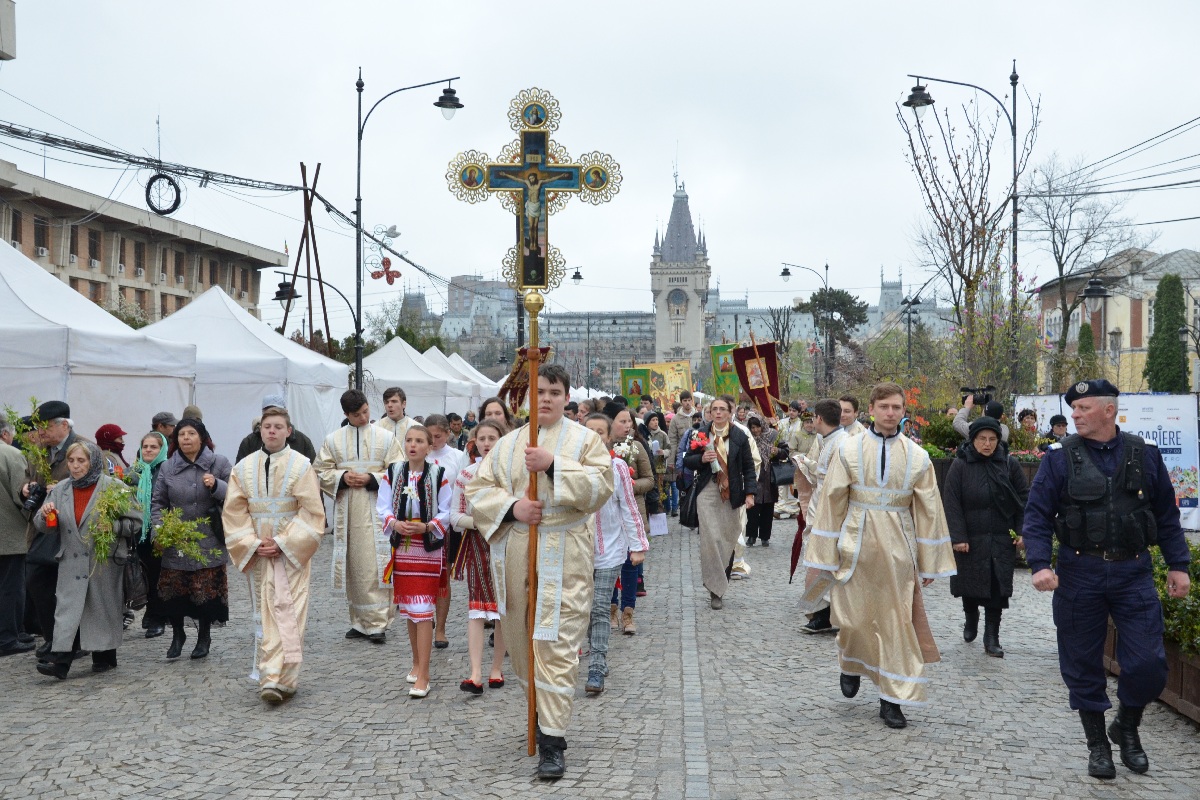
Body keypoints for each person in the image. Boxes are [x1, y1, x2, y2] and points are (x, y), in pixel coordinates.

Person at [1022, 379, 1192, 780]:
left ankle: (1127, 726)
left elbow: (1167, 517)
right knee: (1082, 663)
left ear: (1108, 411)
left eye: (1082, 408)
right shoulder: (1058, 458)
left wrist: (1178, 565)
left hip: (1133, 573)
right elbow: (1036, 516)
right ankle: (1098, 744)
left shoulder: (1144, 455)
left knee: (1149, 663)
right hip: (1080, 573)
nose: (1075, 415)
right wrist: (1040, 563)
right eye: (1073, 409)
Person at [465, 364, 614, 780]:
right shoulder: (509, 443)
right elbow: (478, 489)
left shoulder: (585, 440)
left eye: (553, 391)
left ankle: (553, 741)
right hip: (519, 550)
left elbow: (601, 488)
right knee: (523, 636)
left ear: (566, 397)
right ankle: (538, 708)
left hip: (566, 551)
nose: (545, 398)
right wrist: (513, 508)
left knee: (558, 641)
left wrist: (552, 465)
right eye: (539, 391)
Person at [804, 382, 956, 730]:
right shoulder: (849, 449)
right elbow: (832, 501)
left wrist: (929, 560)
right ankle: (851, 662)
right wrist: (824, 553)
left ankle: (892, 699)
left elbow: (929, 509)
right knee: (852, 619)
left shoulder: (918, 457)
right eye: (884, 406)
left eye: (897, 407)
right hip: (854, 547)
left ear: (904, 411)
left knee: (897, 625)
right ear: (871, 409)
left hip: (898, 552)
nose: (890, 413)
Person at [222, 406, 325, 704]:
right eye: (267, 426)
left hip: (290, 550)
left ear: (288, 431)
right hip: (258, 549)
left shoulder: (301, 465)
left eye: (278, 426)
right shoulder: (243, 468)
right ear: (260, 430)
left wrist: (283, 541)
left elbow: (312, 511)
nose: (272, 431)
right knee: (264, 611)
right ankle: (271, 677)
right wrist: (252, 543)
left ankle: (282, 678)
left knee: (290, 609)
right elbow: (234, 511)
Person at [33, 441, 140, 679]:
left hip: (103, 562)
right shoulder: (60, 490)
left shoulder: (115, 488)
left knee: (102, 609)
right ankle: (60, 663)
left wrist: (112, 526)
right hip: (70, 561)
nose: (75, 466)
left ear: (93, 462)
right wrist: (45, 514)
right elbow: (43, 527)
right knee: (68, 611)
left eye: (81, 461)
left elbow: (136, 523)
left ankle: (105, 656)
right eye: (71, 461)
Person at [315, 389, 402, 645]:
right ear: (346, 414)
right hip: (348, 509)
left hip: (377, 506)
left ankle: (377, 623)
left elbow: (399, 468)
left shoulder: (386, 438)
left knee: (374, 563)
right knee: (353, 564)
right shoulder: (333, 440)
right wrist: (341, 478)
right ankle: (358, 621)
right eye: (357, 415)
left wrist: (372, 478)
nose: (363, 418)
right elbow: (320, 470)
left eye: (366, 412)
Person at [943, 417, 1029, 658]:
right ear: (973, 440)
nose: (988, 444)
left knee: (996, 589)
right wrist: (958, 536)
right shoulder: (960, 465)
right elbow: (951, 503)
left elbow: (1024, 498)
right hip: (970, 539)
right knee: (970, 586)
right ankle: (970, 616)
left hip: (1001, 537)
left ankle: (991, 636)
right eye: (982, 439)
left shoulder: (1009, 465)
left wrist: (1022, 530)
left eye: (992, 439)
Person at [376, 424, 452, 698]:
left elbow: (446, 510)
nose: (413, 445)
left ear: (429, 447)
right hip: (403, 547)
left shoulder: (438, 475)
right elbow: (382, 506)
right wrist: (394, 524)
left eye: (419, 441)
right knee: (409, 608)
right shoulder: (393, 472)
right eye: (409, 440)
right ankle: (417, 662)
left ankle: (425, 674)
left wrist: (428, 526)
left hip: (428, 548)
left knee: (422, 609)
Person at [151, 418, 233, 661]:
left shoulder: (219, 463)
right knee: (173, 591)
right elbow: (158, 503)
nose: (186, 438)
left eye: (191, 434)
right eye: (181, 435)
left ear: (202, 437)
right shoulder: (168, 467)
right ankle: (178, 635)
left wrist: (216, 485)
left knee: (205, 592)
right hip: (176, 537)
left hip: (208, 535)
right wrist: (159, 531)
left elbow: (238, 494)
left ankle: (204, 637)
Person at [582, 412, 648, 694]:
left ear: (609, 437)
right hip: (578, 550)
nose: (595, 436)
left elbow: (628, 506)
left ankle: (597, 665)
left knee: (599, 607)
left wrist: (638, 546)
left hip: (610, 548)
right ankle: (596, 649)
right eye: (590, 431)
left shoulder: (617, 466)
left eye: (600, 431)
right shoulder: (570, 466)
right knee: (583, 609)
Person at [449, 419, 509, 695]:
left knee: (502, 609)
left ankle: (496, 668)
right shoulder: (466, 475)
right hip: (476, 544)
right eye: (482, 438)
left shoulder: (511, 474)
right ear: (475, 442)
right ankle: (475, 672)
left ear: (502, 441)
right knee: (476, 608)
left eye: (492, 438)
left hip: (505, 544)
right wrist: (480, 523)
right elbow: (455, 516)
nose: (486, 443)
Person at [25, 401, 90, 659]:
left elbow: (95, 484)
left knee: (68, 590)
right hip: (42, 528)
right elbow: (27, 476)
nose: (41, 432)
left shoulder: (85, 447)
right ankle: (54, 637)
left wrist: (63, 488)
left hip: (71, 531)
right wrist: (26, 488)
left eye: (46, 427)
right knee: (38, 583)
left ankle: (71, 643)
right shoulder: (38, 450)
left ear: (64, 425)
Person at [682, 395, 757, 611]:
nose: (718, 412)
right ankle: (715, 590)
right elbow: (687, 460)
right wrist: (701, 459)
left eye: (722, 409)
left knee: (728, 537)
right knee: (710, 539)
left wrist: (750, 493)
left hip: (731, 493)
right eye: (714, 409)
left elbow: (748, 467)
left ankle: (721, 580)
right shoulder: (701, 433)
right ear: (709, 412)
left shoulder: (739, 436)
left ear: (730, 412)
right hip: (707, 491)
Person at [795, 398, 847, 634]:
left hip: (832, 513)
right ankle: (820, 612)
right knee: (817, 561)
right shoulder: (827, 440)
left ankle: (825, 615)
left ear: (818, 418)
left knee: (827, 563)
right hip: (821, 508)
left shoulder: (842, 444)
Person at [606, 404, 653, 634]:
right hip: (607, 517)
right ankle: (611, 609)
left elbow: (650, 479)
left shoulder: (636, 447)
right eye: (622, 421)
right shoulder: (599, 449)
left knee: (630, 563)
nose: (627, 426)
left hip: (632, 511)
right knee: (608, 564)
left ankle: (628, 613)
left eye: (629, 422)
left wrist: (630, 485)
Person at [424, 414, 469, 650]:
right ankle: (424, 616)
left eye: (438, 436)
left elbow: (462, 490)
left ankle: (440, 628)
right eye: (428, 436)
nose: (432, 441)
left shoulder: (458, 457)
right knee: (423, 576)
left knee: (442, 577)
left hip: (445, 526)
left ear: (448, 434)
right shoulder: (419, 455)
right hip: (420, 523)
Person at [128, 432, 169, 638]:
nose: (148, 450)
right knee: (140, 575)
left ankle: (157, 616)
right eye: (145, 447)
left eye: (153, 447)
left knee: (156, 576)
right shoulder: (133, 472)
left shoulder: (167, 470)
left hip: (157, 532)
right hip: (136, 532)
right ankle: (148, 611)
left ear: (161, 449)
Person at [0, 419, 33, 657]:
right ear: (5, 433)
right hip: (9, 533)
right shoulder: (11, 454)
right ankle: (8, 637)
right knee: (12, 587)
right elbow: (22, 495)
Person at [235, 394, 317, 463]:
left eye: (278, 410)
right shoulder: (249, 442)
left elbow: (312, 474)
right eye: (268, 410)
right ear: (262, 413)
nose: (273, 413)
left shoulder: (302, 441)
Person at [745, 416, 780, 547]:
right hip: (754, 476)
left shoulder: (773, 435)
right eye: (752, 427)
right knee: (753, 508)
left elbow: (784, 451)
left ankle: (765, 536)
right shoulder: (748, 439)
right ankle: (752, 536)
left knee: (768, 508)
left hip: (769, 477)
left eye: (757, 426)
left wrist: (778, 451)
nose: (755, 430)